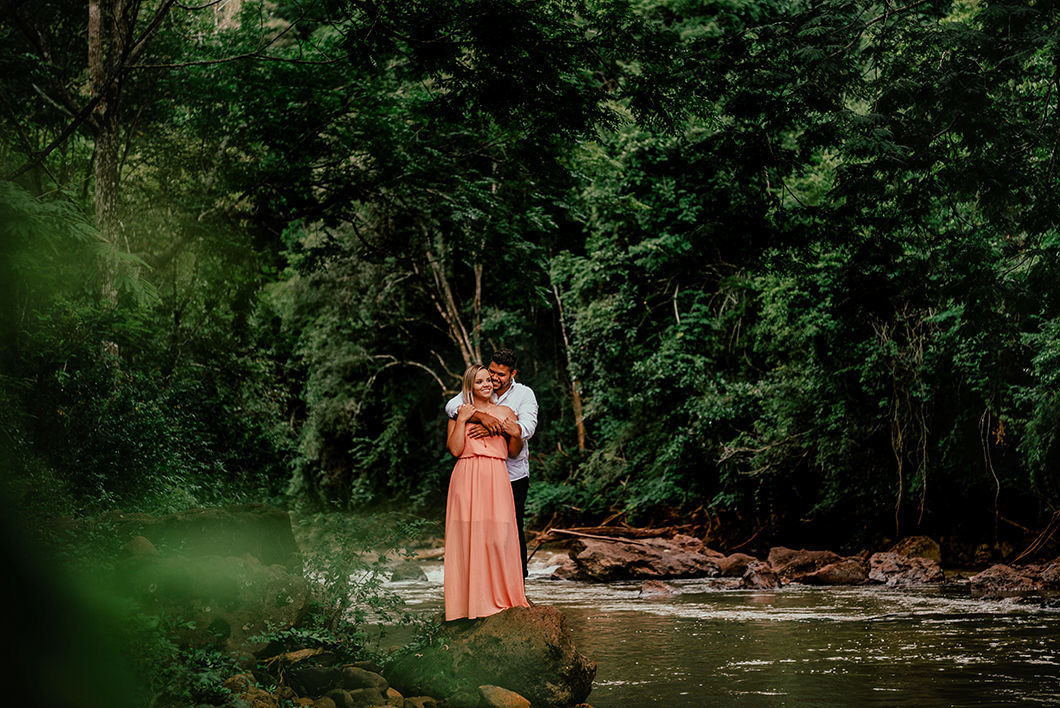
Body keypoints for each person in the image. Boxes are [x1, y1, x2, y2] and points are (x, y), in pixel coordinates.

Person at [443, 364, 530, 621]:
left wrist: (507, 429)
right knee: (469, 537)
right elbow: (455, 449)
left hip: (496, 475)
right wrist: (463, 419)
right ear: (470, 386)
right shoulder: (460, 412)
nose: (486, 385)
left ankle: (501, 597)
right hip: (467, 474)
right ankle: (467, 604)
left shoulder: (506, 411)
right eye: (479, 381)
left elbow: (514, 450)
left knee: (499, 535)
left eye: (488, 380)